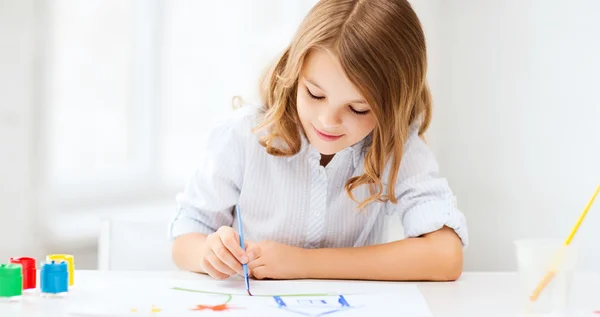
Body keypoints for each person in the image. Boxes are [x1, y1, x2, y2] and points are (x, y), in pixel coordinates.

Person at [169, 0, 468, 282]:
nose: (328, 120)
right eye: (314, 93)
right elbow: (185, 238)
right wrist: (209, 252)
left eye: (358, 108)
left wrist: (301, 263)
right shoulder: (243, 135)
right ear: (295, 71)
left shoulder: (394, 145)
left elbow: (445, 254)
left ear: (393, 107)